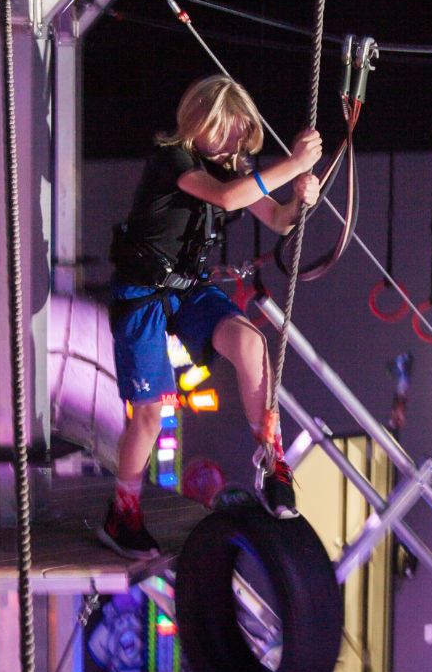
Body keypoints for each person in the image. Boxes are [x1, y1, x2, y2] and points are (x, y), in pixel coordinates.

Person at [99, 76, 323, 558]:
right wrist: (293, 165)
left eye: (240, 134)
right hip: (142, 294)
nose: (234, 143)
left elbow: (278, 219)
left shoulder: (229, 172)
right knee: (150, 413)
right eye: (227, 130)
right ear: (200, 123)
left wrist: (301, 197)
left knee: (251, 344)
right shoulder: (173, 160)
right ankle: (123, 512)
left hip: (189, 291)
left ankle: (272, 458)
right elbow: (226, 199)